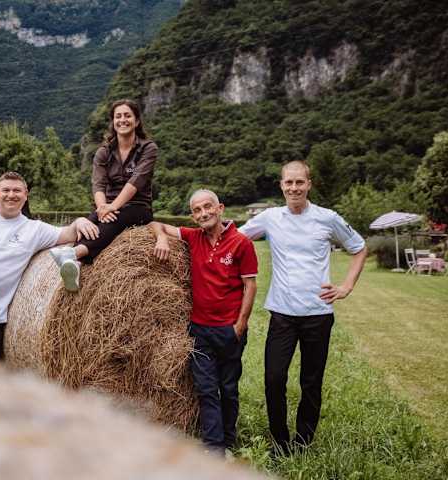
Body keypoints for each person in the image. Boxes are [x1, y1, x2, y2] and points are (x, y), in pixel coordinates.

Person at [238, 160, 368, 454]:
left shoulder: (327, 218)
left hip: (318, 314)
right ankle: (280, 441)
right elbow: (233, 239)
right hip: (282, 314)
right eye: (289, 182)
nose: (294, 188)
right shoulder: (270, 217)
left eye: (299, 182)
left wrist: (346, 287)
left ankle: (303, 440)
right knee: (274, 378)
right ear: (281, 185)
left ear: (309, 184)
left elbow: (359, 248)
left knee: (311, 381)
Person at [0, 171, 99, 359]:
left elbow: (69, 234)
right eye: (6, 190)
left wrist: (79, 221)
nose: (11, 195)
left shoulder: (35, 229)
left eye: (17, 190)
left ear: (26, 194)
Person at [150, 189, 258, 455]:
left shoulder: (241, 243)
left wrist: (240, 325)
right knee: (206, 389)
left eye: (208, 207)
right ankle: (214, 446)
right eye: (197, 210)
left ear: (220, 208)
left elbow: (250, 286)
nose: (203, 213)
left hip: (229, 330)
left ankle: (229, 438)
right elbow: (155, 224)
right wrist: (161, 238)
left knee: (228, 389)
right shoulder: (192, 236)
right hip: (199, 329)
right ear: (193, 215)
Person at [50, 99, 158, 291]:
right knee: (89, 223)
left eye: (127, 116)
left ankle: (74, 253)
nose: (122, 120)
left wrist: (112, 207)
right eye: (118, 116)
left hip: (138, 207)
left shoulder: (148, 148)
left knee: (113, 220)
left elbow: (135, 182)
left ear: (136, 121)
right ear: (113, 121)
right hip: (107, 205)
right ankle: (76, 264)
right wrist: (101, 208)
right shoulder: (104, 152)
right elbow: (98, 184)